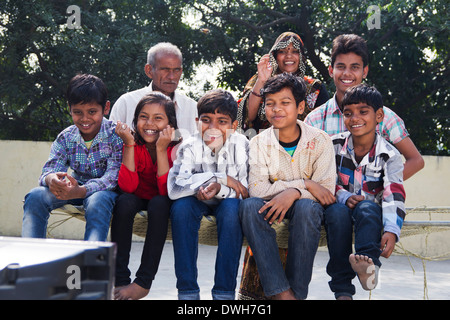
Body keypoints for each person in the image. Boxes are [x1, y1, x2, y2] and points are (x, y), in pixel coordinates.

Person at [239, 73, 336, 300]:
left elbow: (325, 191)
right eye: (270, 104)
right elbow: (257, 189)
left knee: (306, 208)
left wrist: (294, 193)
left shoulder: (320, 140)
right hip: (272, 206)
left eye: (285, 103)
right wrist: (303, 184)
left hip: (307, 210)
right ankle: (282, 293)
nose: (276, 109)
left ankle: (297, 294)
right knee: (249, 207)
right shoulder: (258, 143)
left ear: (300, 107)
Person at [324, 84, 406, 300]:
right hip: (339, 209)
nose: (355, 118)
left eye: (363, 112)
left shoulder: (390, 155)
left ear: (378, 115)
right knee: (335, 213)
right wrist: (343, 196)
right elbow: (323, 180)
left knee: (368, 207)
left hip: (370, 216)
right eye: (348, 113)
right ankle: (342, 290)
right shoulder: (332, 146)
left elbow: (393, 194)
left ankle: (369, 268)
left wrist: (391, 229)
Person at [304, 34, 424, 180]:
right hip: (329, 200)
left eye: (354, 67)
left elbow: (416, 161)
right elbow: (305, 168)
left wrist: (379, 187)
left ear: (365, 71)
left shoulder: (385, 117)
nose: (347, 73)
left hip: (372, 202)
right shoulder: (314, 120)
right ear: (331, 70)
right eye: (341, 67)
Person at [167, 89, 249, 300]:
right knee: (181, 209)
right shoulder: (188, 146)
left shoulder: (242, 145)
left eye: (222, 121)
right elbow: (175, 189)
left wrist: (220, 186)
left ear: (233, 126)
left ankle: (224, 293)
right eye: (206, 120)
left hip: (227, 201)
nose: (212, 128)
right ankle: (187, 292)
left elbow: (245, 191)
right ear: (197, 121)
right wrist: (218, 176)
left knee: (232, 210)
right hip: (196, 199)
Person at [22, 74, 122, 241]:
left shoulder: (116, 135)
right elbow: (50, 169)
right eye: (77, 112)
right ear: (69, 108)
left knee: (97, 201)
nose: (85, 119)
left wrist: (82, 190)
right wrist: (52, 179)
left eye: (92, 112)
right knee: (35, 196)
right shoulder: (66, 137)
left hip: (104, 193)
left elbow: (113, 178)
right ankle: (32, 256)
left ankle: (91, 260)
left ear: (105, 108)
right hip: (73, 189)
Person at [111, 93, 180, 300]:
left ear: (170, 124)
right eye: (143, 117)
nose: (150, 123)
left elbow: (166, 190)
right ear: (135, 120)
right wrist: (129, 145)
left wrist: (160, 149)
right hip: (136, 196)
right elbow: (128, 187)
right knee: (124, 201)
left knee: (159, 204)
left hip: (161, 200)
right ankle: (120, 278)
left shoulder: (176, 149)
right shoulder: (133, 144)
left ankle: (143, 282)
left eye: (158, 118)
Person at [236, 31, 329, 133]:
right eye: (282, 51)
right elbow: (247, 117)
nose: (289, 56)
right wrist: (262, 80)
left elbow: (324, 124)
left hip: (304, 145)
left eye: (294, 51)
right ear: (275, 56)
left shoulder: (315, 88)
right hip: (264, 144)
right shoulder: (260, 79)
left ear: (301, 56)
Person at [109, 42, 198, 138]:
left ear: (181, 71)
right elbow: (110, 144)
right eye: (165, 69)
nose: (171, 77)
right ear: (149, 70)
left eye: (176, 70)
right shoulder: (127, 103)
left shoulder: (192, 108)